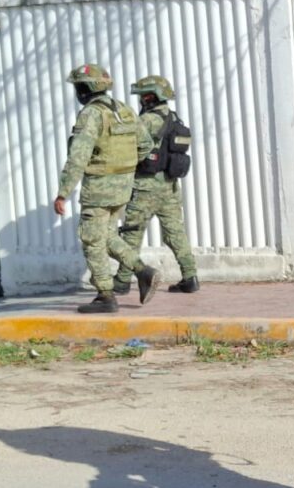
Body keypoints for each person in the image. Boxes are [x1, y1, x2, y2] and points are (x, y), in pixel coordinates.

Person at [54, 64, 161, 313]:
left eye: (79, 86)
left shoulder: (91, 114)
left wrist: (63, 192)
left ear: (85, 89)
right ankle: (143, 271)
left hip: (99, 189)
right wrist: (125, 167)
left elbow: (78, 156)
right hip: (122, 187)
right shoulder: (123, 109)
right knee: (107, 236)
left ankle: (105, 296)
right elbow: (145, 144)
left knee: (92, 240)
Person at [113, 75, 199, 295]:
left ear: (150, 96)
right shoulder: (174, 119)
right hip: (169, 187)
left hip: (145, 187)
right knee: (175, 233)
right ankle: (190, 277)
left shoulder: (147, 120)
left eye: (143, 96)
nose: (141, 100)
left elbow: (124, 144)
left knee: (132, 233)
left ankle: (122, 282)